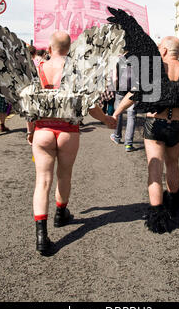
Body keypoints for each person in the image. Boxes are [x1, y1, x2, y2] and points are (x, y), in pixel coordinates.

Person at [27, 31, 117, 255]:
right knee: (64, 175)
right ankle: (60, 213)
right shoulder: (78, 71)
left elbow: (30, 105)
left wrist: (30, 132)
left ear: (49, 49)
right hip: (68, 130)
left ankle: (41, 236)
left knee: (42, 182)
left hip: (43, 129)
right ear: (71, 49)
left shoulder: (39, 69)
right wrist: (106, 119)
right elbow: (90, 106)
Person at [113, 36, 179, 233]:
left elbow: (135, 92)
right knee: (173, 164)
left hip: (155, 122)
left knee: (154, 168)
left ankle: (157, 216)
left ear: (163, 51)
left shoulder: (155, 66)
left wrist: (116, 112)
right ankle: (173, 205)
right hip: (178, 123)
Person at [110, 54, 137, 152]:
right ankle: (128, 144)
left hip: (120, 88)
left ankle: (117, 136)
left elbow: (115, 78)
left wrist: (115, 88)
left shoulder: (117, 58)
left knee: (118, 112)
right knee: (132, 115)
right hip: (133, 89)